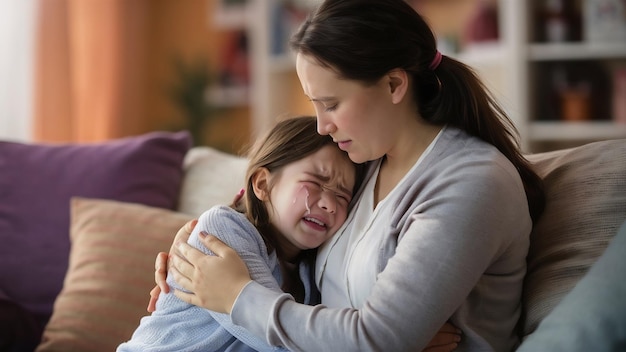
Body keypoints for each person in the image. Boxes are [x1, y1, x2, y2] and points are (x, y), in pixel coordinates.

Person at [153, 0, 546, 350]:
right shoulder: (364, 165)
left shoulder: (470, 184)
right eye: (315, 105)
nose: (322, 126)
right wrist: (195, 252)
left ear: (394, 84)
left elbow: (377, 339)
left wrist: (235, 296)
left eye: (332, 104)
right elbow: (275, 197)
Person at [118, 116, 363, 351]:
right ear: (262, 185)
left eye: (342, 196)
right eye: (316, 182)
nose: (330, 204)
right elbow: (275, 340)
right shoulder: (223, 229)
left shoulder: (311, 272)